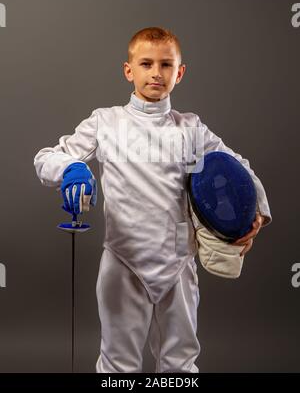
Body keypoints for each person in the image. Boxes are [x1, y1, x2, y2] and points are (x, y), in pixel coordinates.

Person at [33, 26, 272, 373]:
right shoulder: (106, 122)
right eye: (146, 64)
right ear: (129, 71)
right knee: (119, 364)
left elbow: (239, 169)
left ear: (180, 72)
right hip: (123, 259)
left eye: (166, 65)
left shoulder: (190, 128)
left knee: (180, 363)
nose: (156, 73)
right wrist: (70, 168)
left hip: (178, 261)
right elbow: (47, 158)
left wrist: (256, 214)